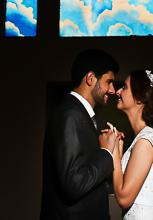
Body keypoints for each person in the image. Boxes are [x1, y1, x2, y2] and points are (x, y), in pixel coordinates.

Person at [41, 49, 122, 220]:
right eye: (109, 82)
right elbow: (74, 183)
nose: (113, 90)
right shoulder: (71, 116)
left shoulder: (78, 115)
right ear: (91, 78)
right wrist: (105, 152)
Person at [108, 69, 153, 220]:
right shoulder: (143, 139)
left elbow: (124, 198)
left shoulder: (146, 140)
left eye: (124, 87)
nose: (118, 91)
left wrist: (114, 154)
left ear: (139, 99)